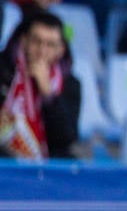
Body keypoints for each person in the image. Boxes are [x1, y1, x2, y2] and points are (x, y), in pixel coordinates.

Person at [0, 9, 81, 160]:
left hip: (46, 162)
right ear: (24, 40)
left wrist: (48, 94)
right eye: (36, 41)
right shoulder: (4, 70)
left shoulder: (71, 84)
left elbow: (66, 139)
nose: (42, 51)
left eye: (50, 45)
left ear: (61, 49)